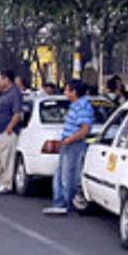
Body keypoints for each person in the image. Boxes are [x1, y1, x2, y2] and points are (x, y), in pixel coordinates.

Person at [43, 78, 94, 216]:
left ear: (74, 92)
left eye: (67, 90)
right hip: (67, 143)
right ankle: (59, 202)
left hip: (73, 144)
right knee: (60, 174)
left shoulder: (83, 107)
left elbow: (84, 129)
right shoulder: (75, 105)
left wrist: (69, 140)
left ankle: (66, 203)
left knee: (68, 175)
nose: (65, 92)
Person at [0, 69, 24, 194]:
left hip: (6, 130)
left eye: (1, 79)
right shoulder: (4, 93)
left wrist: (10, 126)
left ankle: (6, 183)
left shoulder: (15, 93)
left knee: (6, 159)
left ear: (7, 79)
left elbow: (17, 113)